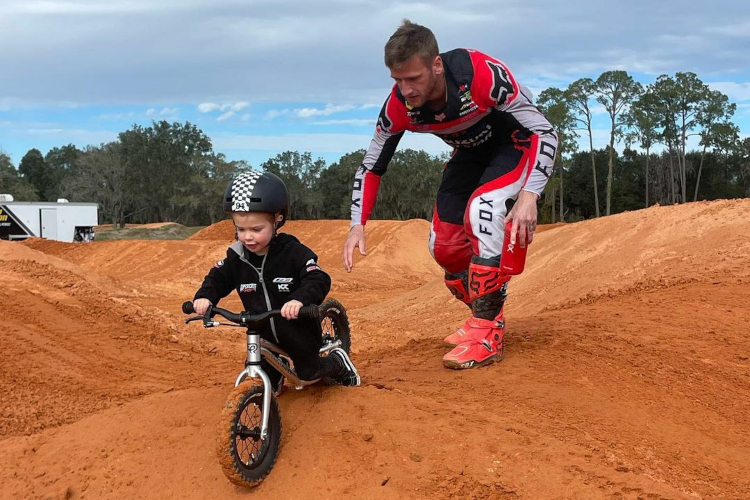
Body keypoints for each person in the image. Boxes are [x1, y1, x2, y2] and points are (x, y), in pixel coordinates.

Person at [342, 20, 557, 370]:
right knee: (443, 246)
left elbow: (545, 132)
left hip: (515, 144)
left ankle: (487, 334)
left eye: (414, 78)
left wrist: (530, 194)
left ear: (436, 64)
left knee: (482, 211)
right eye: (397, 80)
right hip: (469, 154)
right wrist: (357, 224)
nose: (406, 89)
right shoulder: (398, 106)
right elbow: (371, 165)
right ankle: (487, 318)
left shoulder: (481, 74)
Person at [194, 171, 360, 389]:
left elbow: (318, 277)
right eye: (240, 229)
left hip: (298, 333)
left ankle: (338, 362)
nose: (247, 237)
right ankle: (275, 371)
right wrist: (205, 297)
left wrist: (299, 300)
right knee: (265, 381)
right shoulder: (237, 256)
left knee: (308, 375)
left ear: (277, 219)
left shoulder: (292, 252)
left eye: (256, 229)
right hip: (261, 335)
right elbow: (217, 277)